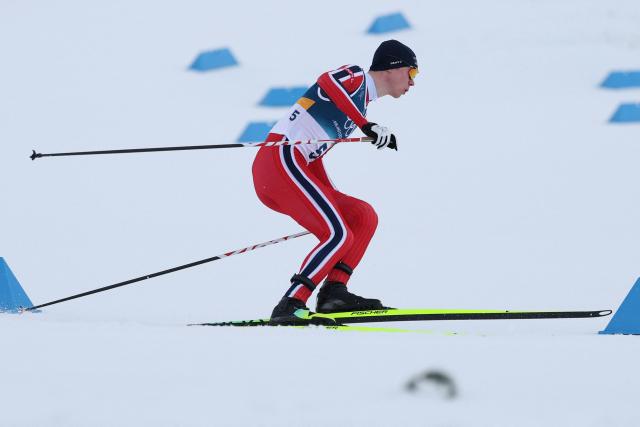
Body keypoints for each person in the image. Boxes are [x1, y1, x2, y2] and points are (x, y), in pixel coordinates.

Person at [251, 39, 419, 324]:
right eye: (412, 73)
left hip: (294, 167)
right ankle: (291, 303)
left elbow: (314, 156)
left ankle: (334, 294)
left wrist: (330, 196)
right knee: (338, 233)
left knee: (361, 216)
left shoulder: (360, 106)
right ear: (392, 67)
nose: (412, 83)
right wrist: (366, 125)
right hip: (278, 160)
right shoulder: (355, 78)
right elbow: (327, 81)